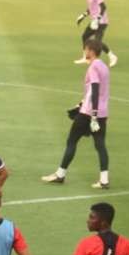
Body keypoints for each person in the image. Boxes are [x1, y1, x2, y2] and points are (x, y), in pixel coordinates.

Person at [41, 40, 110, 189]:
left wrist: (93, 115)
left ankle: (60, 174)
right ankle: (104, 180)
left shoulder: (93, 67)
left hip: (88, 114)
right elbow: (95, 92)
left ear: (91, 51)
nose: (84, 51)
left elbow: (96, 90)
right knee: (100, 145)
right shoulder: (104, 66)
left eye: (85, 49)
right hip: (102, 113)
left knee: (72, 141)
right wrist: (81, 104)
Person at [74, 0, 117, 66]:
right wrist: (83, 16)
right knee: (85, 36)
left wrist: (97, 19)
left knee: (97, 42)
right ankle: (86, 58)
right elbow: (92, 8)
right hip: (95, 21)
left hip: (102, 22)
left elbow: (103, 7)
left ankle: (112, 56)